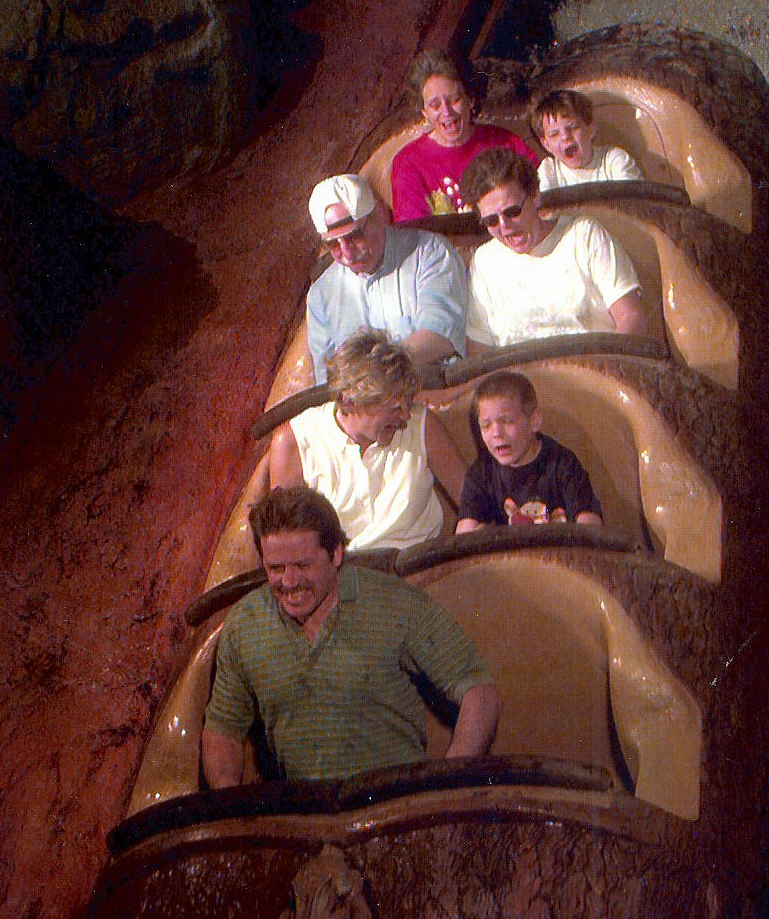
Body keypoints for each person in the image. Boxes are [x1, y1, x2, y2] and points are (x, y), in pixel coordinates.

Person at [202, 486, 500, 787]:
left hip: (395, 800)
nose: (289, 582)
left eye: (303, 565)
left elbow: (479, 691)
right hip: (305, 807)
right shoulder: (245, 623)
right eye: (275, 568)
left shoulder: (394, 602)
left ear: (335, 554)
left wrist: (447, 782)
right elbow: (223, 728)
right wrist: (228, 798)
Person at [268, 329, 466, 551]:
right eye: (394, 407)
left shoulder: (421, 424)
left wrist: (469, 526)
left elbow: (472, 499)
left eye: (407, 403)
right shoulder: (295, 441)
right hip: (343, 568)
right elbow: (283, 543)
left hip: (418, 561)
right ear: (349, 401)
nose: (405, 415)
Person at [458, 150, 648, 355]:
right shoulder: (484, 261)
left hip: (596, 367)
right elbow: (478, 350)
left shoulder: (583, 235)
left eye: (512, 211)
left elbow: (632, 317)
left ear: (535, 196)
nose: (504, 226)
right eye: (491, 220)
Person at [306, 173, 466, 380]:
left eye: (354, 236)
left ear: (379, 215)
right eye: (333, 244)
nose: (347, 253)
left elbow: (439, 338)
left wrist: (370, 378)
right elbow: (325, 380)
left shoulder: (429, 253)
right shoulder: (321, 295)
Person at [390, 49, 538, 222]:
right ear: (424, 112)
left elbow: (539, 194)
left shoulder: (505, 142)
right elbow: (415, 232)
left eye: (455, 100)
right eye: (435, 105)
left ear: (471, 99)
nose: (446, 112)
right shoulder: (408, 163)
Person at [456, 372, 602, 532]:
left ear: (534, 421)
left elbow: (590, 525)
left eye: (507, 421)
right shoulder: (481, 473)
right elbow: (464, 532)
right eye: (486, 425)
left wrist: (583, 526)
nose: (496, 433)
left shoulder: (563, 464)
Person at [530, 88, 643, 190]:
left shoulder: (613, 160)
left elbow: (632, 201)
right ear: (546, 145)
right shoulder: (549, 170)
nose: (565, 136)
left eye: (573, 127)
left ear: (591, 129)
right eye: (554, 134)